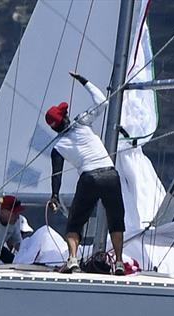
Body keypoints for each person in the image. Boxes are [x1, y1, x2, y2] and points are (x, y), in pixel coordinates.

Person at [46, 72, 126, 275]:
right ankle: (118, 262)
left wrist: (54, 196)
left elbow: (57, 174)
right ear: (65, 118)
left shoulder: (58, 146)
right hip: (109, 174)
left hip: (89, 178)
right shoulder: (81, 122)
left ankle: (73, 260)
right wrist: (83, 80)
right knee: (116, 220)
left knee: (75, 221)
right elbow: (102, 102)